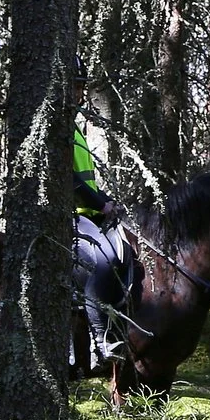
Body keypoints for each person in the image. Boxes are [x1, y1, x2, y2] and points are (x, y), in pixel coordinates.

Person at [70, 62, 131, 365]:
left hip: (85, 212)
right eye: (75, 86)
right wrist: (99, 203)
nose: (79, 93)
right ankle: (99, 341)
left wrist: (107, 201)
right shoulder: (59, 127)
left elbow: (85, 180)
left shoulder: (73, 126)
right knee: (100, 261)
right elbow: (70, 182)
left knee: (121, 251)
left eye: (80, 86)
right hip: (66, 214)